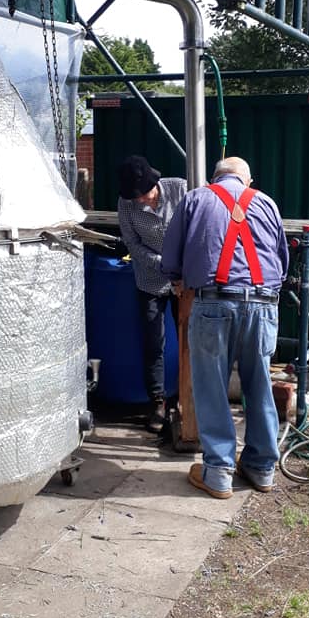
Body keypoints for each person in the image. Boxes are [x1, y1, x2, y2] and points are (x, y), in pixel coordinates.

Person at [161, 156, 289, 498]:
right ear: (246, 181)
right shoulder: (267, 203)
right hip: (263, 305)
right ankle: (261, 468)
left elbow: (170, 258)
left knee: (211, 386)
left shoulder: (195, 199)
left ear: (215, 178)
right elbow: (282, 260)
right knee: (259, 385)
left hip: (213, 303)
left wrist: (177, 279)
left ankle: (218, 472)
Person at [117, 155, 187, 432]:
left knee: (189, 340)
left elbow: (204, 223)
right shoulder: (126, 204)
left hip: (186, 280)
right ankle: (157, 401)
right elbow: (132, 244)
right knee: (153, 342)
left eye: (145, 194)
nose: (141, 201)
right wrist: (166, 266)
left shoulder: (182, 189)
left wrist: (185, 270)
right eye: (136, 198)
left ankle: (187, 397)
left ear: (155, 183)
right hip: (150, 279)